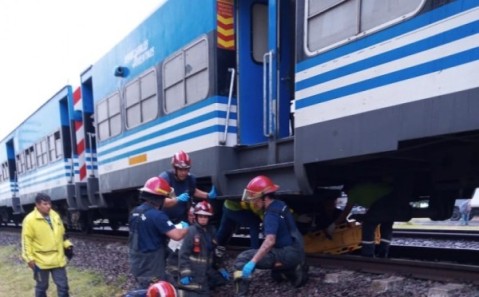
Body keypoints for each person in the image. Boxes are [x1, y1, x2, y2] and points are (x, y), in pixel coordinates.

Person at [232, 176, 308, 297]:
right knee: (275, 275)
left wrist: (253, 261)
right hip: (297, 249)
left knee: (242, 259)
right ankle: (291, 271)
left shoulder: (270, 215)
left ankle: (240, 295)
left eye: (255, 199)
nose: (253, 202)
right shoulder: (280, 204)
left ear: (265, 197)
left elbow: (270, 241)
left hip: (287, 253)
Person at [128, 176, 189, 290]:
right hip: (152, 266)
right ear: (159, 198)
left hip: (137, 261)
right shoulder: (158, 216)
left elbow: (148, 230)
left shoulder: (135, 212)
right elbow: (177, 235)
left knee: (149, 286)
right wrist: (188, 228)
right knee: (154, 290)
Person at [21, 193, 74, 297]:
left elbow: (62, 234)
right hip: (40, 261)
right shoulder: (29, 220)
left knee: (63, 287)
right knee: (42, 287)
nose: (48, 206)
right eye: (45, 204)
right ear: (37, 205)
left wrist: (68, 245)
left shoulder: (55, 216)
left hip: (58, 260)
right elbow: (26, 241)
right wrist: (29, 258)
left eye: (49, 204)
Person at [328, 181, 394, 258]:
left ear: (348, 190)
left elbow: (345, 213)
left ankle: (368, 254)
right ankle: (383, 252)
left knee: (368, 226)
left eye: (345, 192)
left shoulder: (353, 193)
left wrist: (332, 226)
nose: (346, 194)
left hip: (381, 205)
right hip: (392, 203)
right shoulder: (364, 187)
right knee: (386, 227)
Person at [177, 201, 230, 296]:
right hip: (194, 272)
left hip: (206, 272)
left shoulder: (211, 231)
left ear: (209, 217)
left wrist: (220, 267)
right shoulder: (191, 231)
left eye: (205, 216)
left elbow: (215, 252)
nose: (203, 218)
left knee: (223, 281)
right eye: (200, 216)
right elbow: (183, 254)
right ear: (196, 216)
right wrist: (185, 273)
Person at [160, 150, 217, 224]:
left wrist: (207, 195)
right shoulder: (165, 178)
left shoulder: (190, 178)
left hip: (181, 219)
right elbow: (160, 201)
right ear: (174, 168)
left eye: (186, 169)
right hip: (165, 218)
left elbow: (193, 191)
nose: (184, 173)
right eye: (180, 169)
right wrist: (177, 199)